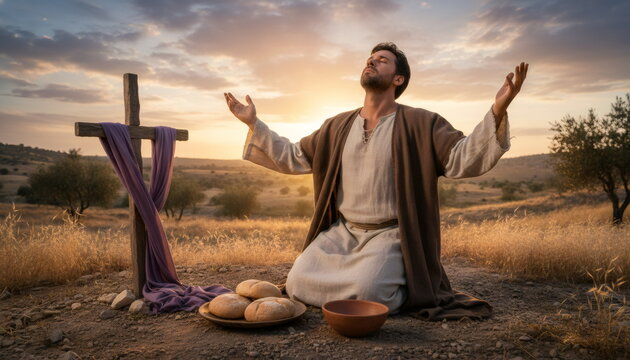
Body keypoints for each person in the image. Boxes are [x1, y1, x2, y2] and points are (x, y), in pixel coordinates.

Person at [224, 42, 528, 320]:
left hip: (391, 235)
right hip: (342, 232)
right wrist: (253, 122)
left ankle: (406, 280)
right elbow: (293, 156)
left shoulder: (422, 123)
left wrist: (498, 109)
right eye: (370, 59)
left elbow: (462, 158)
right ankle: (372, 281)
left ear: (398, 80)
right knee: (297, 283)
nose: (371, 62)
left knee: (370, 293)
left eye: (382, 61)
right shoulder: (337, 126)